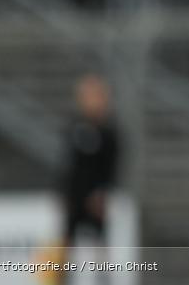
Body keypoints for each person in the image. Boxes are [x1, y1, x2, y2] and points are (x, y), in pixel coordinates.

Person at [58, 75, 120, 283]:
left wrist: (102, 192)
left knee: (100, 245)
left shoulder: (109, 133)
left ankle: (104, 280)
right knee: (66, 244)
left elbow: (112, 167)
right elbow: (67, 164)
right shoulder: (74, 128)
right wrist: (64, 194)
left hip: (95, 197)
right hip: (75, 195)